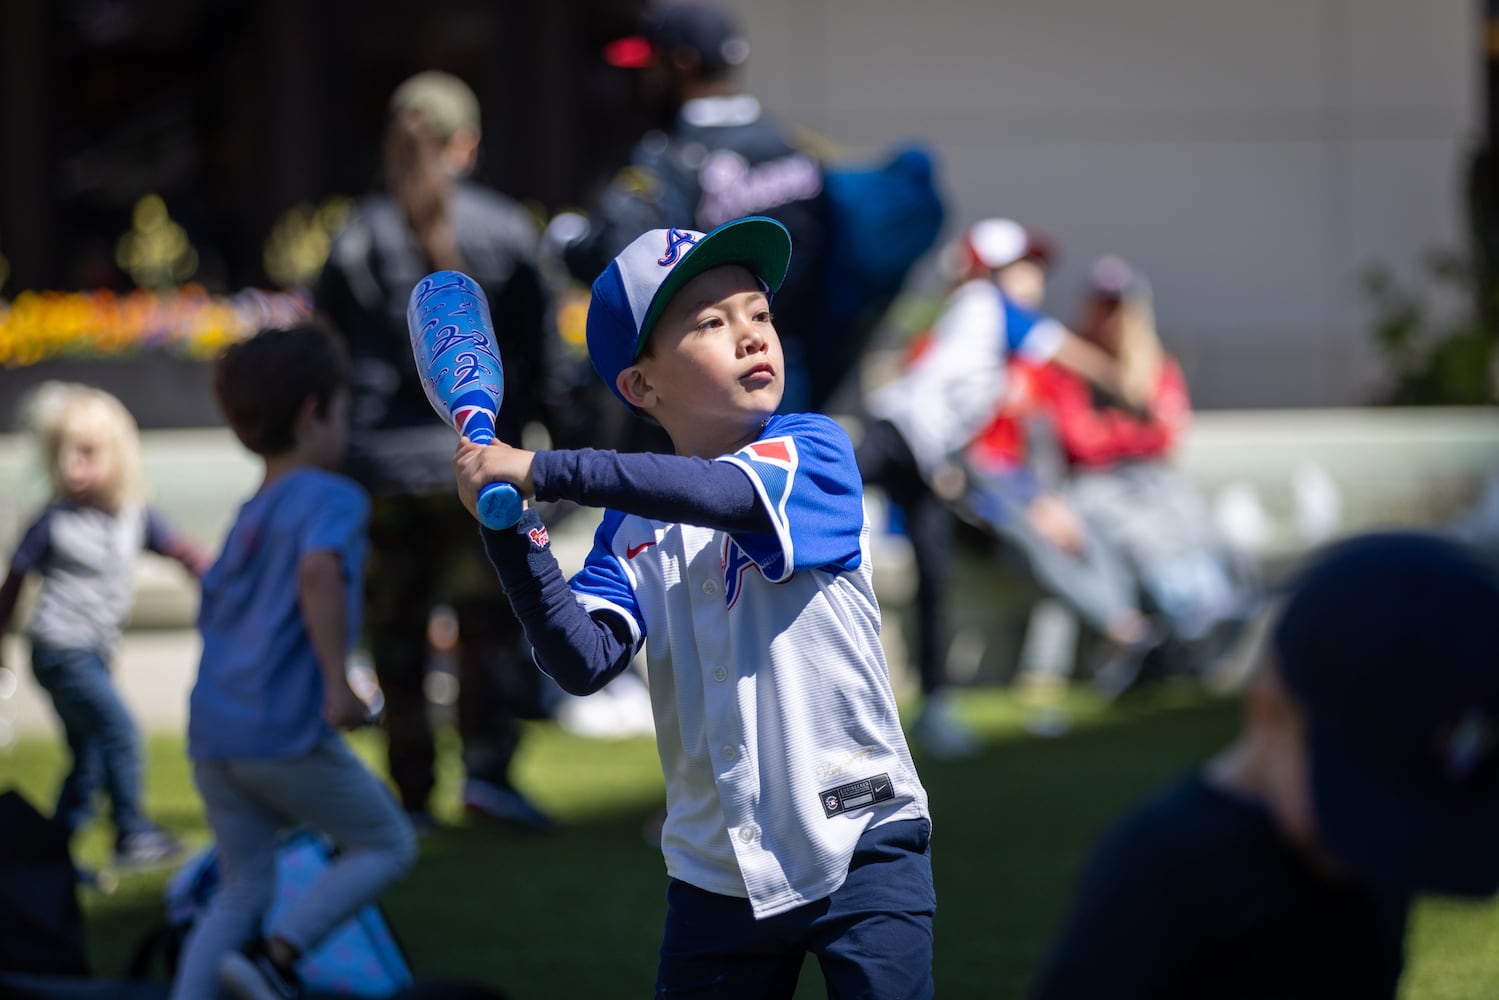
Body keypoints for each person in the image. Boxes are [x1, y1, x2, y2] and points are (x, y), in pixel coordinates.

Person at [453, 217, 935, 999]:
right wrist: (510, 530)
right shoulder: (631, 524)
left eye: (759, 314)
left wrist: (542, 467)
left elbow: (720, 496)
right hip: (715, 869)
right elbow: (582, 658)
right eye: (712, 323)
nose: (751, 336)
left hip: (862, 836)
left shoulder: (814, 450)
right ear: (643, 387)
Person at [1029, 530, 1499, 999]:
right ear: (1268, 711)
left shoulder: (1375, 855)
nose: (1392, 837)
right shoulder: (1165, 864)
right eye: (1368, 793)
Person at [314, 69, 555, 832]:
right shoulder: (507, 228)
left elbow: (324, 353)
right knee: (489, 623)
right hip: (478, 462)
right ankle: (487, 776)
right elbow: (544, 356)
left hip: (380, 466)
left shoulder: (355, 235)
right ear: (467, 143)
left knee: (396, 628)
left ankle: (410, 794)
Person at [171, 324, 417, 1000]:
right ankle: (276, 962)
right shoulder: (332, 496)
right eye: (343, 410)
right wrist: (339, 684)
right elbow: (319, 571)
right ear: (315, 414)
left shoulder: (250, 511)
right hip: (279, 732)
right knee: (385, 842)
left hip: (214, 733)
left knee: (243, 885)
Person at [857, 219, 1152, 757]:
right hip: (896, 438)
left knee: (935, 578)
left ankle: (936, 708)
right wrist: (1129, 388)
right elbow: (1077, 358)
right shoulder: (994, 307)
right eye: (1024, 266)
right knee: (808, 506)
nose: (1035, 277)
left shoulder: (976, 314)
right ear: (991, 271)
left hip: (925, 457)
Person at [556, 3, 834, 415]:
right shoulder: (795, 147)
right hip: (789, 370)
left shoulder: (664, 160)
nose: (643, 79)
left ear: (681, 65)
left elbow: (617, 261)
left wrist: (567, 241)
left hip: (708, 394)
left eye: (650, 66)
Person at [0, 382, 209, 868]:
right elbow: (13, 584)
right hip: (59, 648)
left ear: (118, 456)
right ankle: (132, 834)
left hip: (94, 650)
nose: (73, 466)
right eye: (63, 454)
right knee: (119, 732)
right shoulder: (53, 520)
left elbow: (184, 553)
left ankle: (52, 848)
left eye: (88, 453)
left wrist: (227, 577)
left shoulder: (134, 516)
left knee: (91, 753)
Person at [1032, 254, 1256, 683]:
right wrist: (1134, 427)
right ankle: (1190, 622)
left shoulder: (1154, 361)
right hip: (1093, 482)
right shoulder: (1072, 360)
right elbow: (1081, 441)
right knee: (1138, 535)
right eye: (1103, 303)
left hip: (1150, 477)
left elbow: (1169, 435)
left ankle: (1213, 621)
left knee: (1194, 523)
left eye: (1119, 304)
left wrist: (1117, 429)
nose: (1110, 314)